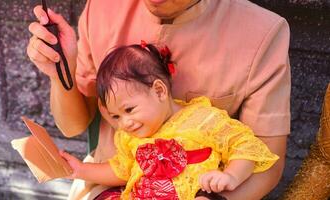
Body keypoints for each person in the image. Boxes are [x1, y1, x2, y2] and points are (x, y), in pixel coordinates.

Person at [26, 0, 291, 199]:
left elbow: (267, 162)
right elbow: (73, 126)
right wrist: (61, 69)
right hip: (105, 188)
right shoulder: (102, 6)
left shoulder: (262, 32)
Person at [59, 43, 279, 200]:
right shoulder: (131, 138)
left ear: (159, 91)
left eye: (129, 109)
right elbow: (120, 170)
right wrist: (80, 170)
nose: (125, 122)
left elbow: (245, 146)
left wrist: (232, 176)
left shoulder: (202, 119)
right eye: (116, 116)